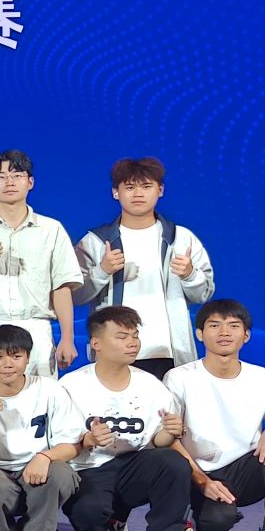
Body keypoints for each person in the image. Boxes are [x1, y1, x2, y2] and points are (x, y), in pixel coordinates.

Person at [166, 299, 265, 531]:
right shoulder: (178, 377)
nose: (224, 332)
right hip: (198, 473)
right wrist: (202, 481)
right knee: (216, 523)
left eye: (233, 326)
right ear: (199, 334)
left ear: (246, 335)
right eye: (214, 325)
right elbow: (168, 440)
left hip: (245, 470)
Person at [60, 305, 201, 531]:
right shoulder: (71, 385)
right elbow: (59, 441)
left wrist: (169, 432)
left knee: (172, 462)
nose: (132, 343)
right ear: (96, 343)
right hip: (88, 468)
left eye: (135, 336)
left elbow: (158, 441)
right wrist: (89, 439)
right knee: (90, 516)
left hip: (132, 467)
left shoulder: (150, 385)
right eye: (122, 337)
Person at [0, 150, 82, 385]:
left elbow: (61, 287)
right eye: (0, 177)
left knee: (40, 399)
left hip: (36, 328)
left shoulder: (51, 229)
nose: (9, 182)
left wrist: (67, 338)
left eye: (17, 175)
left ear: (30, 182)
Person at [74, 157, 216, 378]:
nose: (138, 194)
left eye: (147, 186)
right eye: (130, 187)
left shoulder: (181, 238)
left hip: (169, 352)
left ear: (160, 190)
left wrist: (189, 275)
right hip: (114, 353)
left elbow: (204, 294)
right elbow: (75, 295)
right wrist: (102, 270)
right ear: (115, 192)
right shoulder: (96, 241)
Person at [0, 322, 82, 531]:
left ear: (28, 358)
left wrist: (45, 456)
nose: (8, 364)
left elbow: (72, 445)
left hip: (36, 470)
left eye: (16, 356)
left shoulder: (50, 390)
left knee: (61, 473)